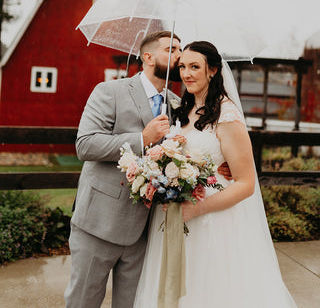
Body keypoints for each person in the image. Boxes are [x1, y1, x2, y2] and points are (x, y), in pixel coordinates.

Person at [133, 41, 297, 308]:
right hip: (174, 217)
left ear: (213, 70)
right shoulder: (180, 110)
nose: (187, 74)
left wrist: (197, 209)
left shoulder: (227, 114)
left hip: (213, 218)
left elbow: (246, 184)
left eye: (195, 67)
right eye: (182, 66)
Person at [64, 30, 181, 308]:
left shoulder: (176, 104)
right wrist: (142, 139)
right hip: (99, 225)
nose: (179, 56)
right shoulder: (110, 91)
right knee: (83, 303)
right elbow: (86, 145)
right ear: (148, 57)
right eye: (171, 50)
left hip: (146, 230)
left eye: (180, 50)